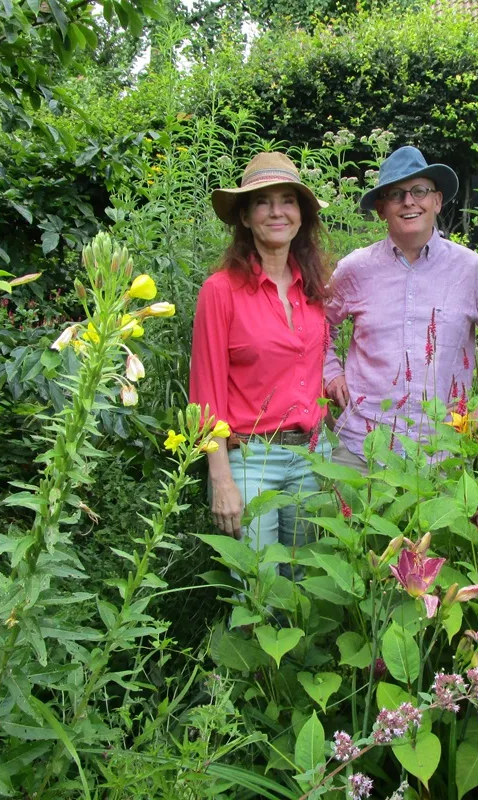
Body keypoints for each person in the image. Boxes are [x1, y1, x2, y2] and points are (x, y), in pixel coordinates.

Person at [323, 146, 478, 469]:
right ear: (381, 209)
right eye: (396, 194)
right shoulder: (355, 270)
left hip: (441, 455)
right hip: (361, 451)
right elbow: (315, 327)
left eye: (420, 191)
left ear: (437, 201)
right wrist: (330, 372)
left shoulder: (471, 270)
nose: (409, 202)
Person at [190, 152, 333, 555]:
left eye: (288, 200)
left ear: (301, 215)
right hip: (251, 460)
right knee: (258, 583)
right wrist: (221, 479)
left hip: (313, 456)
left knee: (307, 581)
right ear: (245, 216)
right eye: (262, 202)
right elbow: (205, 394)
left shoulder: (314, 290)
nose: (276, 212)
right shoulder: (221, 291)